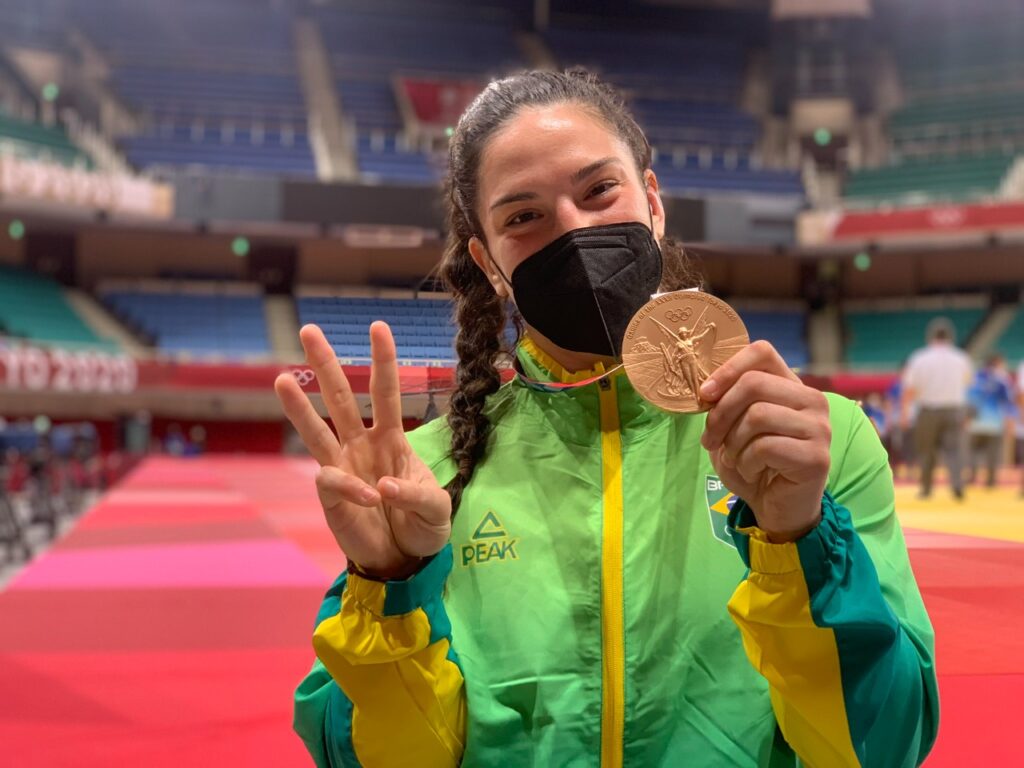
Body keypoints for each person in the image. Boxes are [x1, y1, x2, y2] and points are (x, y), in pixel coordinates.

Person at [277, 70, 938, 767]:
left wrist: (800, 537)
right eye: (522, 217)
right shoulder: (427, 480)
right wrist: (389, 584)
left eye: (599, 191)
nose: (575, 228)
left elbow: (884, 748)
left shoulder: (813, 444)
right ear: (488, 261)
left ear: (652, 202)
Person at [901, 318, 973, 500]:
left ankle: (926, 489)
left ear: (930, 336)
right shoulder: (961, 358)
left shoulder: (919, 358)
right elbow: (967, 384)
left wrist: (904, 413)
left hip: (928, 410)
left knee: (926, 450)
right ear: (951, 337)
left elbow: (909, 389)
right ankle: (957, 486)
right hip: (954, 409)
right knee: (955, 450)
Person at [966, 354, 1015, 488]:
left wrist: (966, 419)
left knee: (973, 453)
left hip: (975, 423)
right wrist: (1010, 421)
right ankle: (991, 481)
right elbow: (1007, 402)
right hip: (994, 423)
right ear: (998, 363)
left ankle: (971, 477)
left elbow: (968, 400)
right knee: (992, 454)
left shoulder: (975, 378)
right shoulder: (1002, 380)